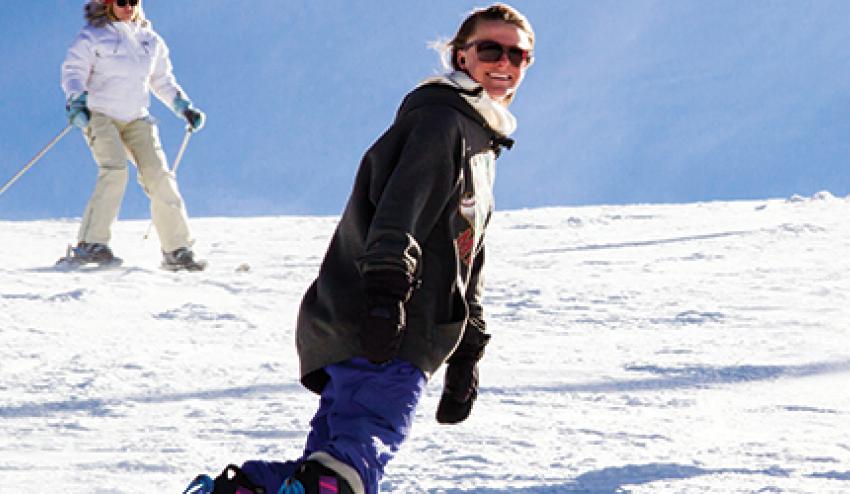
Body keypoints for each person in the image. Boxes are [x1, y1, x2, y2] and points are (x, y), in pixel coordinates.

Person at [183, 4, 532, 493]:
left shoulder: (479, 142)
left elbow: (465, 260)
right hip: (387, 325)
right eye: (490, 49)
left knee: (329, 462)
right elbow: (398, 214)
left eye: (519, 55)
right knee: (348, 469)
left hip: (382, 325)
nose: (506, 63)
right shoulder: (442, 122)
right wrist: (386, 300)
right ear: (460, 56)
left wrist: (467, 352)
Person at [60, 0, 207, 270]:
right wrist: (76, 102)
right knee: (114, 170)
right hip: (100, 113)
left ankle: (177, 249)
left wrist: (184, 107)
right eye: (121, 1)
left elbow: (162, 80)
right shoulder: (93, 36)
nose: (128, 6)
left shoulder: (150, 40)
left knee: (159, 176)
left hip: (136, 118)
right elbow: (74, 71)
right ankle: (91, 243)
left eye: (133, 1)